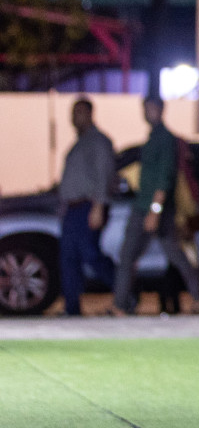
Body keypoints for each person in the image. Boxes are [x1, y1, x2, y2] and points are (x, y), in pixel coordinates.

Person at [110, 96, 199, 316]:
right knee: (170, 254)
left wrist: (155, 210)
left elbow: (165, 177)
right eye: (145, 108)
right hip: (147, 205)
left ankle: (120, 305)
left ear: (160, 109)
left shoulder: (165, 138)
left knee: (131, 254)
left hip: (152, 208)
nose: (147, 113)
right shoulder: (153, 137)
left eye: (151, 108)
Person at [57, 98, 117, 317]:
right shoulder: (79, 143)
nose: (75, 117)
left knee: (90, 254)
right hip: (73, 209)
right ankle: (71, 307)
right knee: (68, 258)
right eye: (73, 112)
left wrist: (98, 207)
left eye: (80, 112)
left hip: (89, 206)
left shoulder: (98, 141)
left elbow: (104, 175)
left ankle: (125, 292)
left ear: (91, 114)